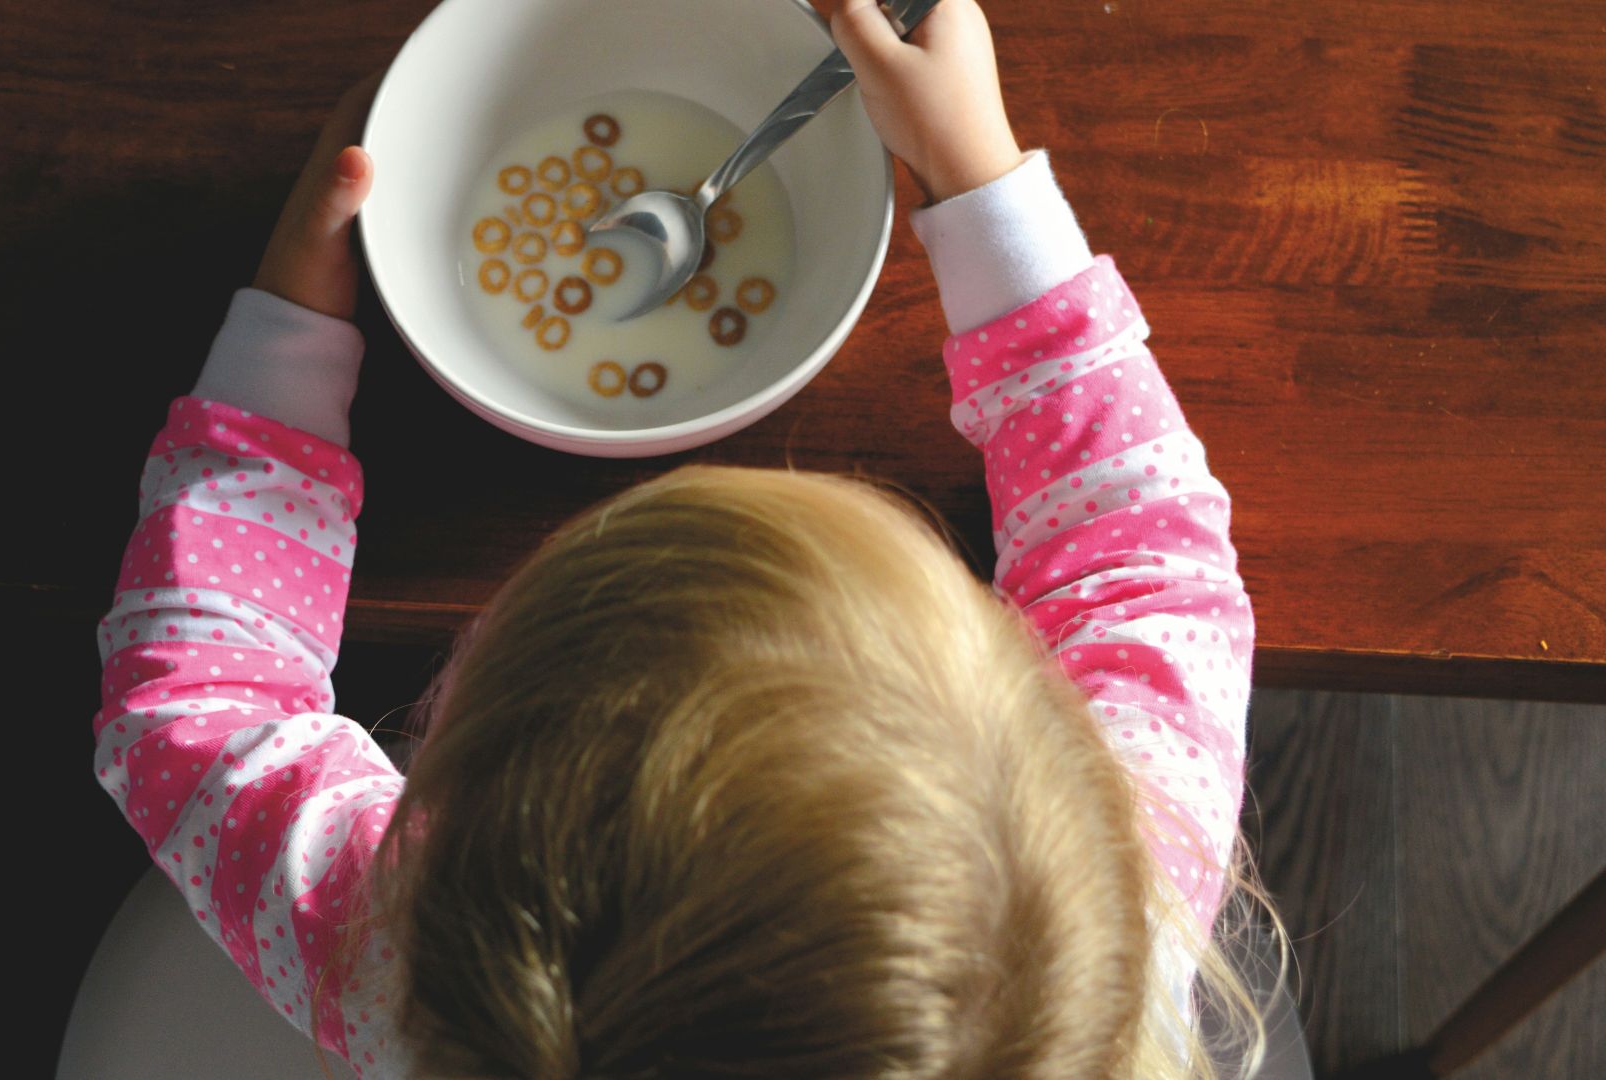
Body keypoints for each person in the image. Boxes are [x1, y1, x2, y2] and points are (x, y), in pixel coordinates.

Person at [89, 1, 1303, 1075]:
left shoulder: (400, 960)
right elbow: (1145, 560)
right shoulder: (1107, 916)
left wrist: (291, 321)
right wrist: (982, 178)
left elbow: (193, 702)